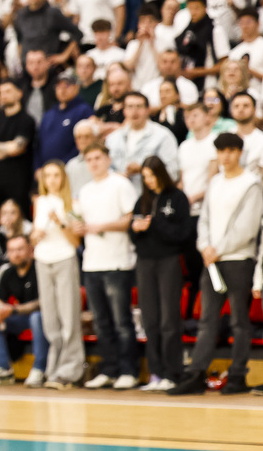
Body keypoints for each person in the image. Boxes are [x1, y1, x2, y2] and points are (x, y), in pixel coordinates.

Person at [170, 133, 262, 396]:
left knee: (239, 321)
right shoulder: (215, 182)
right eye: (221, 151)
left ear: (239, 153)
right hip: (211, 261)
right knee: (207, 320)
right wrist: (204, 246)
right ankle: (197, 373)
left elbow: (247, 227)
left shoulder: (251, 184)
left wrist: (218, 250)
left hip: (238, 260)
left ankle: (237, 374)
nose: (226, 156)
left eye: (231, 151)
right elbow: (205, 220)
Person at [74, 145, 139, 390]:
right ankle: (109, 370)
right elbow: (81, 222)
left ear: (108, 159)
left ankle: (129, 371)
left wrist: (102, 226)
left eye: (97, 158)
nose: (93, 163)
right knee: (101, 322)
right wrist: (78, 228)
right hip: (92, 262)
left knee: (121, 321)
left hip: (117, 262)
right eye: (89, 159)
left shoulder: (120, 184)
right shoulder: (85, 190)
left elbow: (130, 218)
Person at [129, 156, 190, 392]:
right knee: (150, 320)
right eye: (145, 177)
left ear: (161, 174)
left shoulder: (177, 198)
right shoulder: (142, 200)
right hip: (145, 262)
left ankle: (172, 373)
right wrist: (136, 229)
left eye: (152, 176)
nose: (149, 181)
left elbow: (183, 234)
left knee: (169, 320)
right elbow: (133, 234)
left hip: (169, 260)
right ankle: (156, 373)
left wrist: (155, 224)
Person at [30, 162, 84, 389]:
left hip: (64, 259)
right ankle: (54, 368)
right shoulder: (40, 202)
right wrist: (35, 236)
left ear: (63, 178)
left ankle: (71, 369)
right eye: (47, 176)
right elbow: (34, 236)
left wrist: (60, 223)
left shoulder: (72, 203)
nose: (52, 180)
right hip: (43, 260)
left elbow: (75, 242)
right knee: (50, 318)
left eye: (56, 175)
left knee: (68, 316)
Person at [0, 235, 46, 387]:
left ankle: (39, 369)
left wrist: (13, 309)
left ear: (30, 250)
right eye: (12, 250)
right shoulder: (8, 273)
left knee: (37, 317)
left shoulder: (40, 269)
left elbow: (43, 303)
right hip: (20, 318)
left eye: (20, 249)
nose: (16, 254)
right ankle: (3, 369)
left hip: (43, 317)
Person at [0, 81, 37, 224]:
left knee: (20, 222)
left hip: (19, 183)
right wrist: (7, 149)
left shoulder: (26, 120)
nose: (3, 95)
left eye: (7, 91)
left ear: (19, 94)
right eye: (0, 92)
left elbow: (17, 148)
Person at [105, 91, 180, 190]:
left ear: (147, 110)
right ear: (124, 111)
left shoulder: (163, 136)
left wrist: (143, 170)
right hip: (120, 193)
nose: (134, 111)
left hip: (151, 195)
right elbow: (103, 170)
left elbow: (173, 173)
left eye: (139, 106)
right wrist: (115, 176)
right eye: (130, 107)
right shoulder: (112, 139)